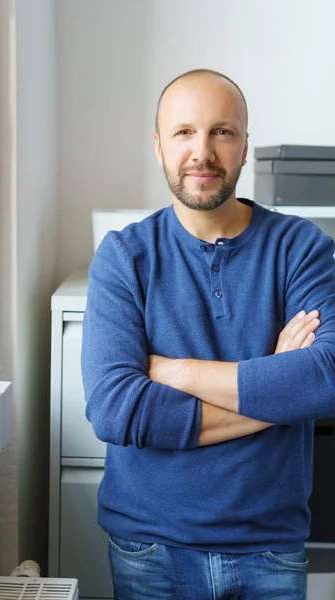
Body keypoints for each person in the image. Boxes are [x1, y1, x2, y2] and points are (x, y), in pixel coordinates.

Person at [81, 68, 335, 600]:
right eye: (183, 132)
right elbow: (115, 409)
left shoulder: (302, 248)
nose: (203, 151)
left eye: (222, 132)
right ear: (159, 147)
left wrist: (174, 370)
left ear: (245, 146)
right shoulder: (124, 257)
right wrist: (274, 386)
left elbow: (324, 378)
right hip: (149, 549)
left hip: (270, 547)